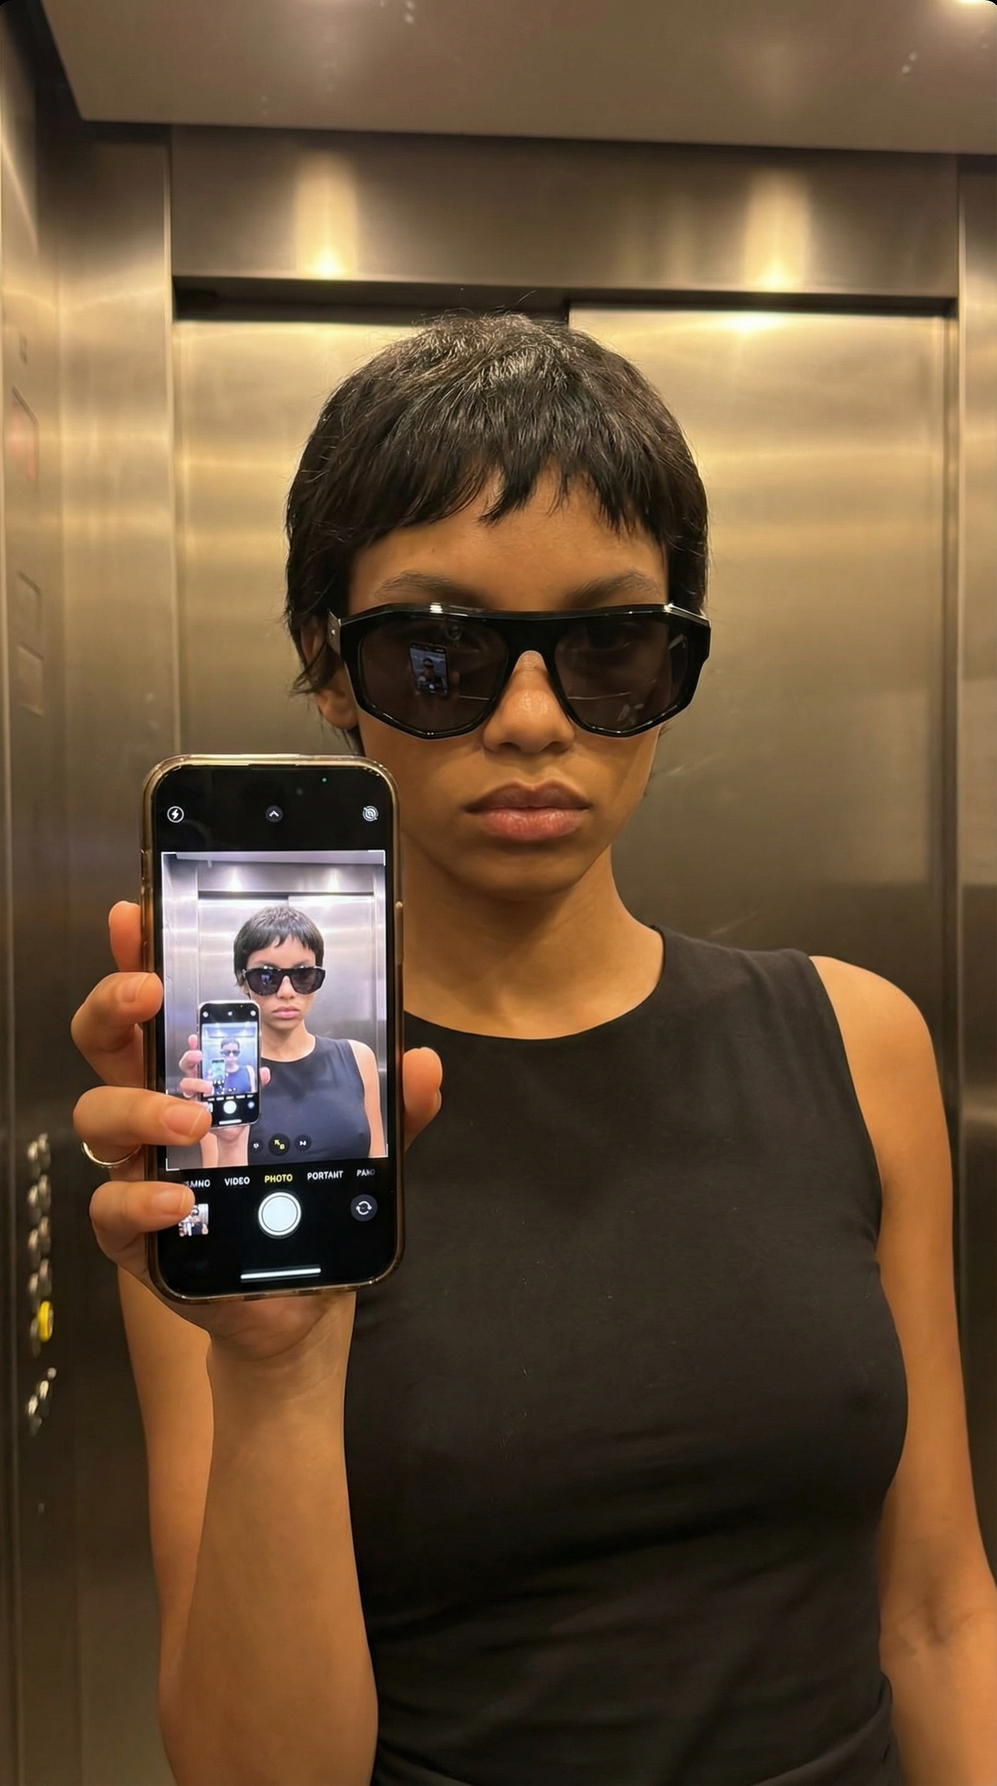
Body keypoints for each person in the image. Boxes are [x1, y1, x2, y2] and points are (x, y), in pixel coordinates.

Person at [72, 316, 995, 1786]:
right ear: (329, 666)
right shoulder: (227, 1138)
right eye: (436, 652)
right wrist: (278, 1375)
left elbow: (938, 1612)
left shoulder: (856, 1040)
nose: (527, 719)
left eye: (607, 648)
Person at [178, 905, 385, 1167]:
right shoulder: (226, 1075)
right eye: (266, 977)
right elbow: (223, 1185)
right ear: (243, 982)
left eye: (303, 975)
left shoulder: (358, 1058)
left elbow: (378, 1171)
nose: (286, 992)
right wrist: (231, 1142)